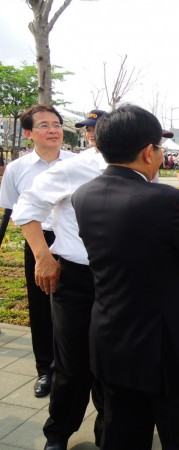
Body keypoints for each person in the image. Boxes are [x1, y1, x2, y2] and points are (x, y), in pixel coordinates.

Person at [71, 105, 179, 450]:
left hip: (109, 339)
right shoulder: (166, 200)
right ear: (148, 152)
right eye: (160, 149)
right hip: (164, 347)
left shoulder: (83, 195)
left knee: (122, 433)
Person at [0, 105, 76, 399]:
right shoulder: (17, 169)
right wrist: (39, 253)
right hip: (37, 240)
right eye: (44, 125)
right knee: (41, 305)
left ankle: (76, 365)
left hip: (71, 237)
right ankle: (45, 369)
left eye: (56, 124)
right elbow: (15, 211)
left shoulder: (77, 163)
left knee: (73, 303)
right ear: (29, 133)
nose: (53, 129)